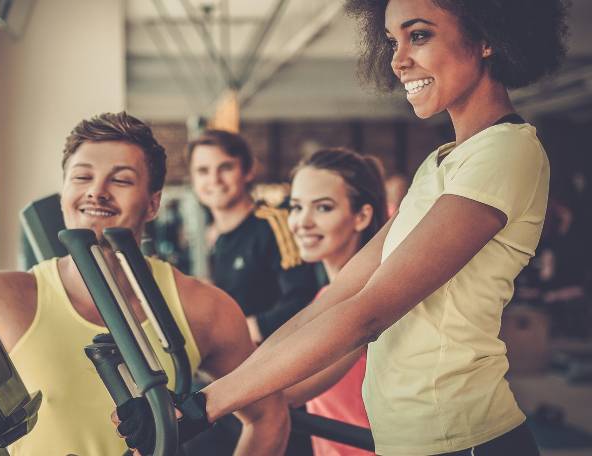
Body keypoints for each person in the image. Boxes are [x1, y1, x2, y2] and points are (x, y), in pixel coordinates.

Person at [118, 1, 569, 454]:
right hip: (411, 440)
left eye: (419, 36)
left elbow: (368, 312)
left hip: (464, 440)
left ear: (488, 37)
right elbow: (338, 295)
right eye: (393, 41)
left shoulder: (506, 152)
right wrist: (207, 396)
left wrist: (202, 407)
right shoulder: (439, 163)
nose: (397, 60)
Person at [0, 112, 290, 456]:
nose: (97, 191)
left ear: (153, 204)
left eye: (122, 179)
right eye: (83, 177)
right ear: (64, 192)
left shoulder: (202, 307)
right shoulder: (6, 298)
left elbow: (268, 417)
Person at [282, 147, 387, 456]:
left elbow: (290, 390)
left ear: (362, 216)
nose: (303, 222)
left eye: (323, 208)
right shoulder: (324, 297)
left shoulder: (369, 297)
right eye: (296, 207)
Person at [187, 129, 318, 345]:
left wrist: (247, 329)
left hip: (279, 361)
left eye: (225, 167)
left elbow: (304, 299)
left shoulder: (275, 222)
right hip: (238, 360)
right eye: (202, 171)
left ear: (248, 171)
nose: (214, 180)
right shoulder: (217, 240)